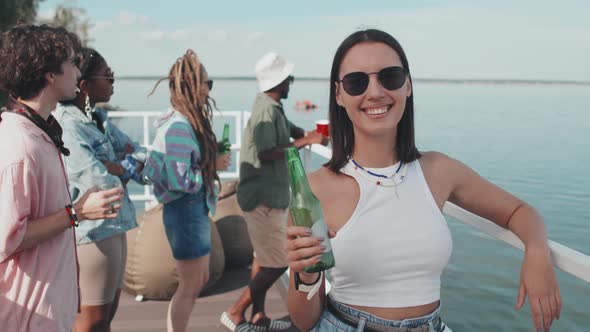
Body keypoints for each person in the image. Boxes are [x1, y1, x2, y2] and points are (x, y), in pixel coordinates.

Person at [285, 29, 562, 332]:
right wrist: (306, 275)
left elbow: (518, 211)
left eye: (389, 77)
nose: (375, 91)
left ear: (408, 86)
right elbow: (304, 320)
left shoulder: (438, 170)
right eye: (356, 82)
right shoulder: (314, 189)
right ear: (339, 95)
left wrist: (537, 253)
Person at [0, 24, 123, 332]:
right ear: (49, 75)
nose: (78, 71)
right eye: (70, 62)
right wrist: (77, 212)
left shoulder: (40, 133)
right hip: (30, 316)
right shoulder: (21, 146)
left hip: (50, 307)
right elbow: (6, 239)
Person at [220, 52, 328, 332]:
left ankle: (259, 316)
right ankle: (235, 312)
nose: (291, 82)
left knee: (263, 258)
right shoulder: (265, 111)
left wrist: (311, 135)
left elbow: (292, 131)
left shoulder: (273, 106)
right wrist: (307, 140)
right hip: (261, 199)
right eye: (288, 78)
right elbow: (267, 152)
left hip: (270, 197)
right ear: (279, 81)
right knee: (280, 261)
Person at [54, 47, 147, 332]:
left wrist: (117, 165)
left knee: (107, 317)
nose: (113, 82)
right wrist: (123, 166)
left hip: (115, 226)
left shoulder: (99, 120)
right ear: (85, 85)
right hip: (91, 234)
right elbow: (98, 181)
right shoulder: (68, 125)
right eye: (108, 76)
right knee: (91, 322)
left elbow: (142, 156)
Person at [144, 49, 231, 332]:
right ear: (194, 86)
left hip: (192, 212)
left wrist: (210, 163)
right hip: (185, 213)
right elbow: (180, 181)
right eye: (207, 83)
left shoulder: (182, 122)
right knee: (189, 285)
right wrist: (213, 166)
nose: (209, 89)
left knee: (197, 279)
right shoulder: (179, 128)